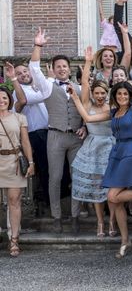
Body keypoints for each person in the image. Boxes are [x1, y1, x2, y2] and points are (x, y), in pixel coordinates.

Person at [70, 81, 132, 258]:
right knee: (115, 201)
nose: (122, 97)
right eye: (119, 94)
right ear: (114, 96)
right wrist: (75, 98)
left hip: (131, 153)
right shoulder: (113, 112)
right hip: (116, 153)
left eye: (125, 94)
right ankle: (125, 240)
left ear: (130, 96)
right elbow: (88, 118)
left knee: (112, 196)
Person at [29, 28, 86, 233]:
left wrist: (85, 128)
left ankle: (75, 216)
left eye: (65, 66)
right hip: (55, 135)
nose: (62, 69)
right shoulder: (47, 87)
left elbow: (89, 110)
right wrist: (38, 46)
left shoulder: (79, 88)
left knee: (77, 176)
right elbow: (34, 69)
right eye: (58, 66)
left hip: (76, 138)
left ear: (70, 69)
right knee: (55, 177)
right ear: (52, 69)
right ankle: (56, 217)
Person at [70, 47, 117, 238]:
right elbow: (84, 83)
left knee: (112, 187)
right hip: (92, 148)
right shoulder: (87, 104)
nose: (99, 96)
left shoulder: (112, 106)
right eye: (96, 92)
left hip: (110, 147)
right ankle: (100, 223)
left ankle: (112, 221)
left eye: (102, 93)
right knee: (97, 187)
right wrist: (88, 62)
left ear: (107, 93)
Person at [0, 79, 35, 257]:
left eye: (4, 98)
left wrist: (31, 162)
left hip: (14, 161)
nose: (2, 101)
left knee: (14, 201)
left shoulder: (19, 117)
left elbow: (25, 142)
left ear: (9, 100)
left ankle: (14, 240)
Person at [12, 62, 50, 213]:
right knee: (42, 169)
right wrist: (50, 83)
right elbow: (31, 99)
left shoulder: (36, 86)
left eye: (25, 71)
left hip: (47, 132)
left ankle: (46, 201)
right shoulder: (18, 91)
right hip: (34, 135)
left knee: (48, 169)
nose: (24, 74)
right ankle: (43, 203)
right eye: (19, 73)